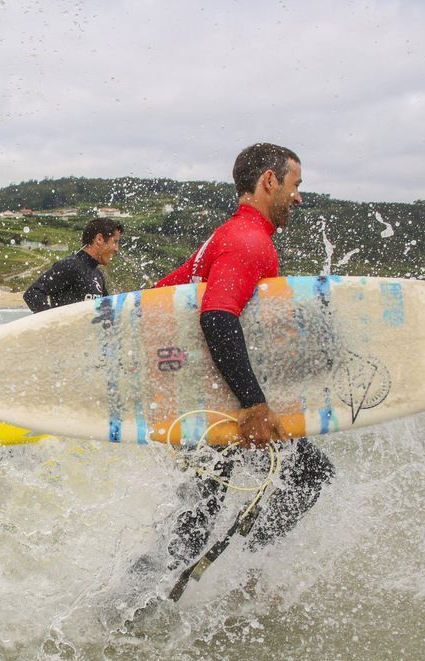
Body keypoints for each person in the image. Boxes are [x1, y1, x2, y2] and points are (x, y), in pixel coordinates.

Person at [134, 143, 336, 608]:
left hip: (203, 394)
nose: (299, 196)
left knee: (203, 515)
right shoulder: (248, 240)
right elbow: (218, 317)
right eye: (295, 185)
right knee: (204, 518)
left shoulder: (226, 237)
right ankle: (131, 609)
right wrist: (254, 405)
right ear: (270, 180)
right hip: (216, 400)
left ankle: (239, 576)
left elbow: (166, 294)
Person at [23, 218, 122, 312]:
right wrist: (54, 323)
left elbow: (107, 312)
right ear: (99, 239)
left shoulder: (98, 275)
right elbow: (33, 293)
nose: (116, 248)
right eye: (115, 242)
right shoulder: (70, 265)